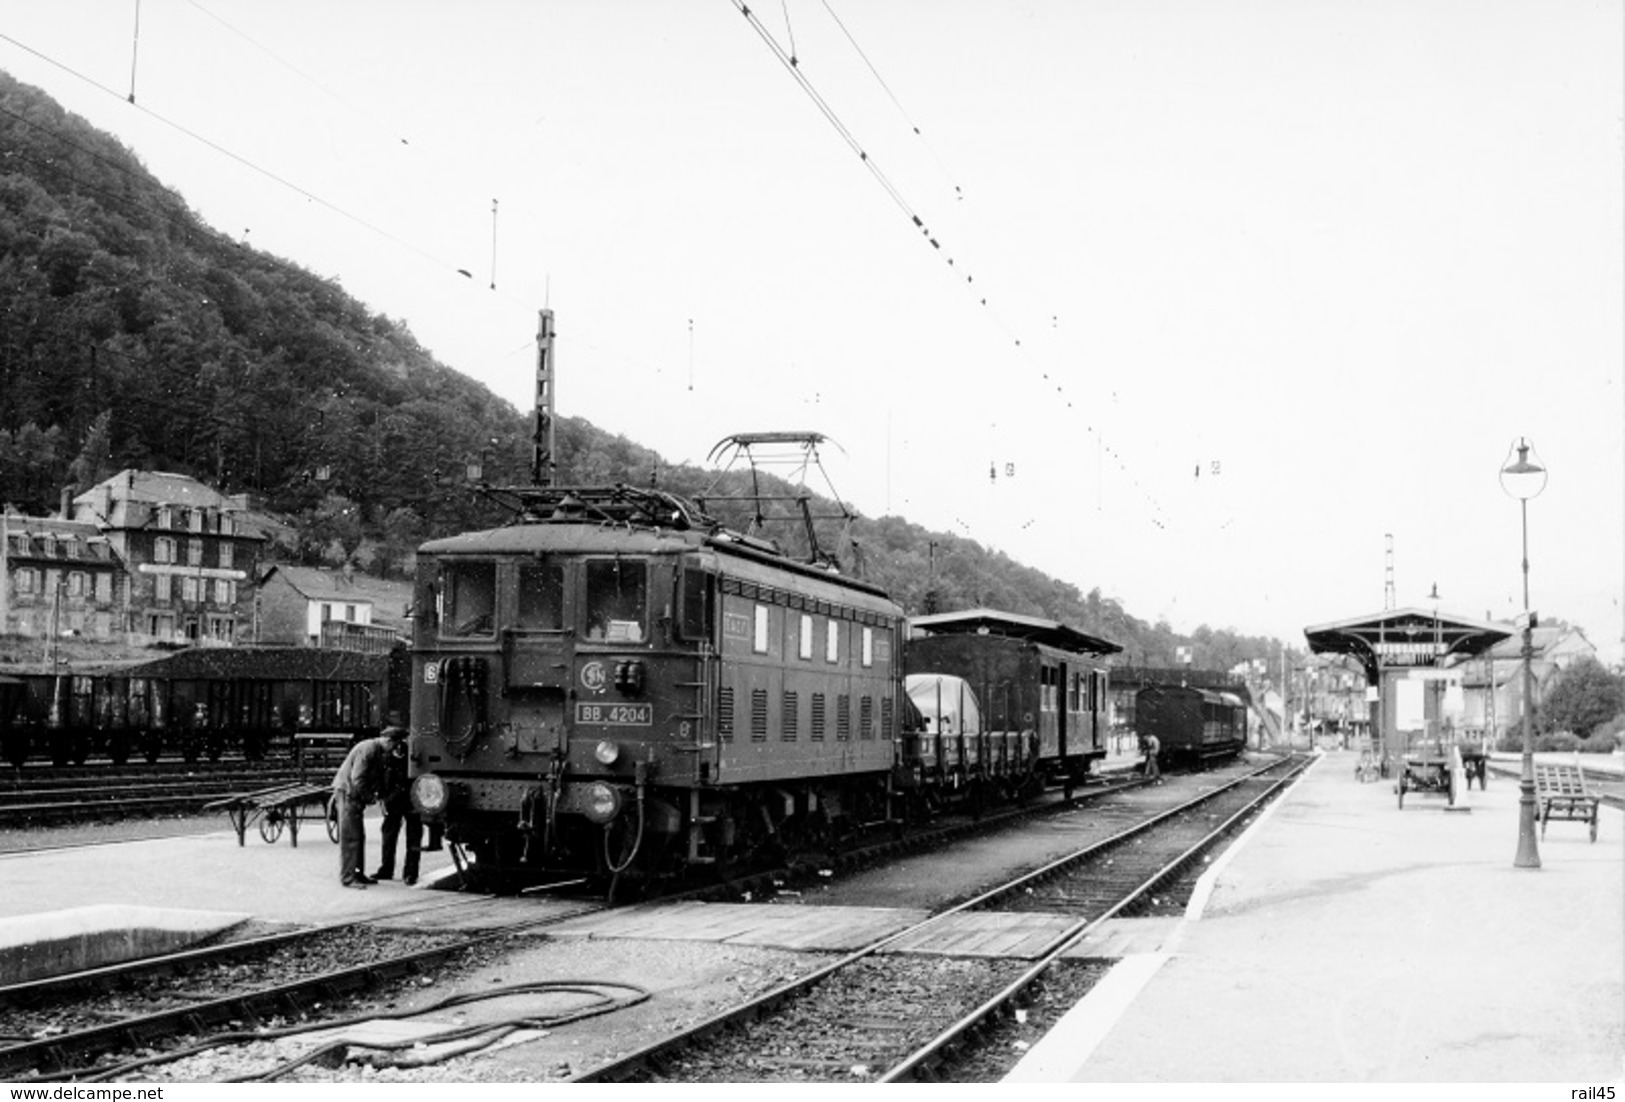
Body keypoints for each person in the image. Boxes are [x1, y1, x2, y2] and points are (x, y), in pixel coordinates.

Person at [331, 726, 406, 888]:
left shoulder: (377, 751)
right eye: (394, 745)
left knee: (358, 836)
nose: (394, 749)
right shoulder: (369, 749)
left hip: (353, 793)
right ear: (387, 741)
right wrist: (371, 798)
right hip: (348, 792)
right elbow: (358, 779)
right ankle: (348, 877)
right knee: (351, 836)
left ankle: (357, 873)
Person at [374, 732, 423, 885]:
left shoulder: (410, 755)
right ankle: (390, 870)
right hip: (394, 802)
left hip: (409, 801)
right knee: (391, 835)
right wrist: (383, 797)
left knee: (411, 837)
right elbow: (380, 779)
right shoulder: (386, 757)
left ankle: (410, 873)